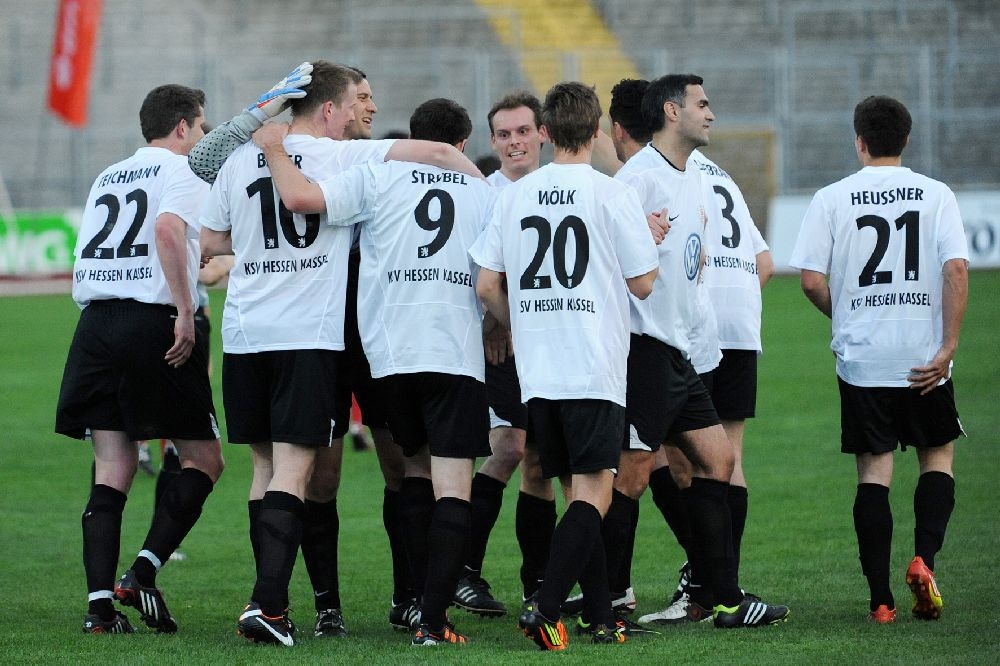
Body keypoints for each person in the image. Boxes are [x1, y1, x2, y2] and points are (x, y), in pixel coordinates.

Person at [198, 61, 483, 647]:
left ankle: (277, 600)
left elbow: (209, 239)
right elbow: (432, 155)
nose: (366, 108)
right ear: (330, 108)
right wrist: (481, 185)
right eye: (360, 98)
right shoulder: (347, 159)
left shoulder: (240, 157)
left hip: (248, 333)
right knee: (303, 471)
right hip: (314, 334)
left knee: (266, 469)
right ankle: (276, 605)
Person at [472, 81, 660, 650]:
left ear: (547, 131)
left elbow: (486, 285)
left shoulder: (513, 195)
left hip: (538, 371)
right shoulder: (611, 194)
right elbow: (643, 284)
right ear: (596, 129)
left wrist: (519, 323)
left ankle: (601, 616)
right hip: (592, 364)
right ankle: (546, 605)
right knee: (594, 494)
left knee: (571, 487)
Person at [602, 74, 789, 630]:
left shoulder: (692, 177)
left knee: (718, 461)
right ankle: (606, 603)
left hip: (681, 352)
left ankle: (726, 600)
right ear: (671, 111)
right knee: (632, 476)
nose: (711, 114)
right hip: (644, 349)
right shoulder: (637, 179)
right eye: (702, 104)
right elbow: (603, 259)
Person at [789, 95, 968, 624]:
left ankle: (881, 601)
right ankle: (924, 560)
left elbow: (810, 280)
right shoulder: (936, 194)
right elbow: (957, 270)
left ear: (859, 141)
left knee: (873, 473)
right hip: (923, 356)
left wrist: (845, 317)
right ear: (906, 139)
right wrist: (948, 347)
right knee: (937, 457)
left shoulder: (831, 198)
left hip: (864, 358)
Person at [55, 84, 225, 635]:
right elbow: (168, 229)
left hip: (95, 325)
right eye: (200, 126)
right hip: (150, 321)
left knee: (112, 467)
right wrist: (185, 309)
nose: (202, 137)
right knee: (205, 459)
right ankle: (143, 571)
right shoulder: (183, 169)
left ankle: (99, 609)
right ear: (182, 126)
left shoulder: (109, 174)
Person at [452, 90, 549, 619]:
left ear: (543, 134)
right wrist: (494, 322)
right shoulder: (483, 194)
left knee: (540, 461)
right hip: (500, 342)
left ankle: (538, 584)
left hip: (550, 344)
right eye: (504, 134)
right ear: (492, 141)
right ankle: (464, 569)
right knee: (511, 447)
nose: (514, 142)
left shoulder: (556, 188)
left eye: (523, 131)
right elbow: (474, 273)